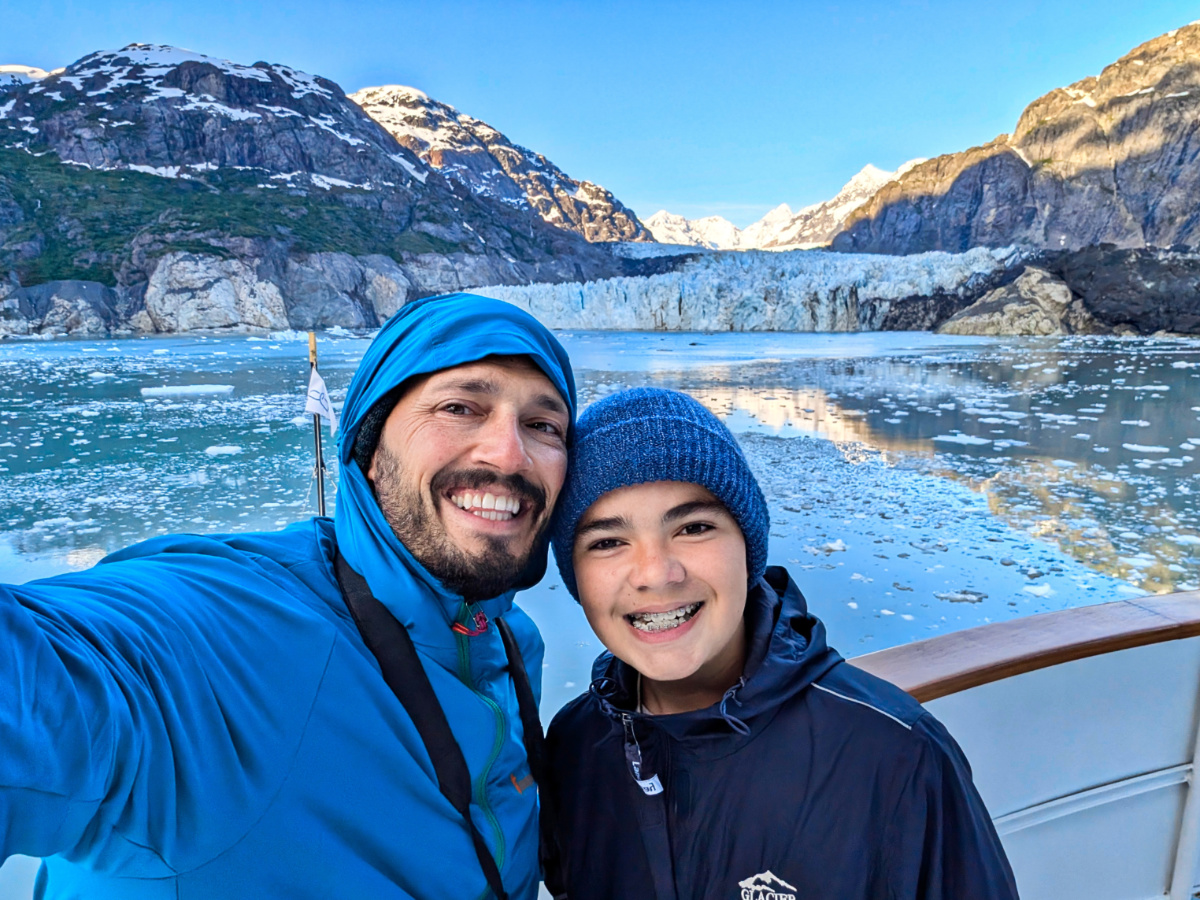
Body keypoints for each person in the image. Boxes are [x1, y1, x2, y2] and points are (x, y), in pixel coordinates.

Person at [0, 293, 574, 900]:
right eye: (460, 407)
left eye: (543, 425)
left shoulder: (508, 644)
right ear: (372, 452)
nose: (509, 454)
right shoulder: (231, 635)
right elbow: (57, 681)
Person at [542, 387, 1019, 900]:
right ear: (576, 577)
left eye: (695, 527)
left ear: (748, 547)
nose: (657, 574)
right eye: (608, 542)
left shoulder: (895, 756)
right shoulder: (574, 748)